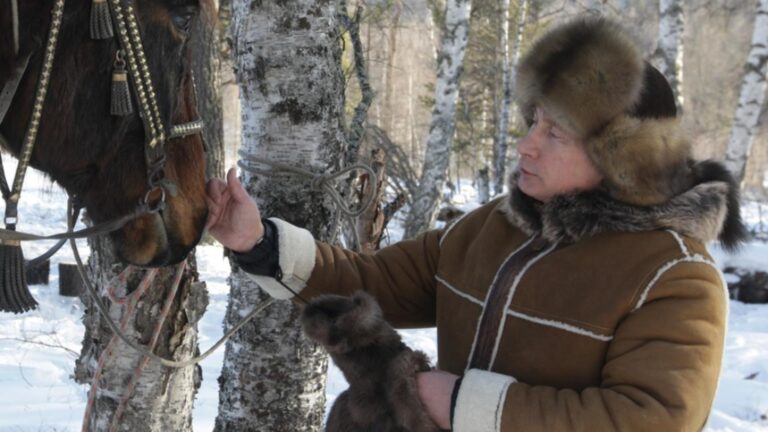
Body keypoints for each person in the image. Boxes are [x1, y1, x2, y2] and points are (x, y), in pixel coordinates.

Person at [206, 17, 747, 431]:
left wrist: (468, 405)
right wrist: (256, 240)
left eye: (555, 133)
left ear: (622, 159)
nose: (527, 145)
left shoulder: (676, 277)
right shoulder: (496, 225)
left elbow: (652, 419)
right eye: (533, 122)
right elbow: (376, 282)